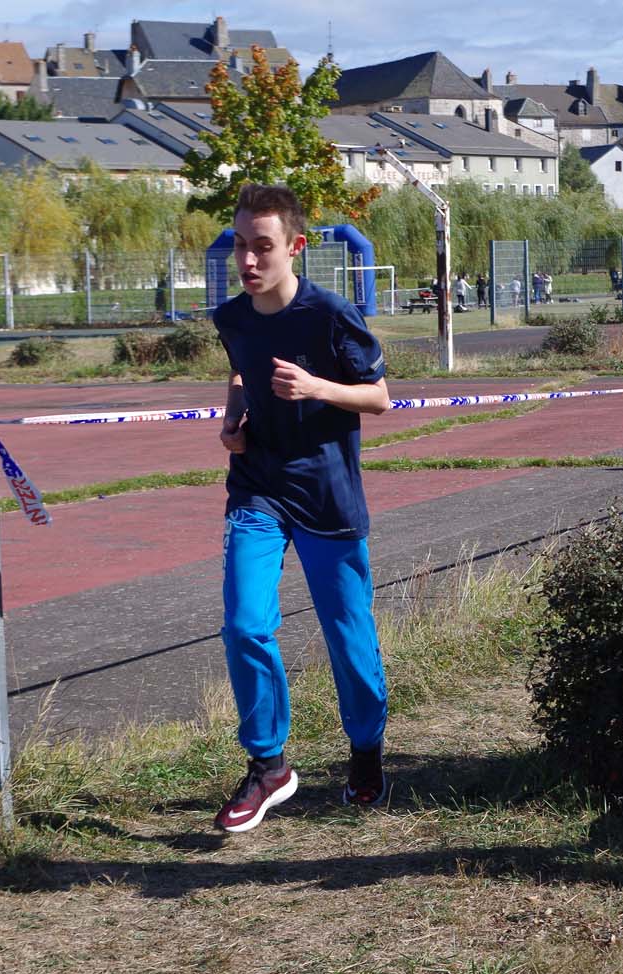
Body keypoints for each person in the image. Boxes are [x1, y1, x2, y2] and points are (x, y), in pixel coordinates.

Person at [211, 183, 392, 833]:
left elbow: (379, 399)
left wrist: (316, 386)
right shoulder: (232, 319)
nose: (249, 260)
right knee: (243, 623)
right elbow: (239, 371)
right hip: (257, 489)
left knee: (350, 640)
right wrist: (234, 416)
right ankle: (268, 765)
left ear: (295, 247)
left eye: (263, 247)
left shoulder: (329, 315)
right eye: (241, 245)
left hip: (326, 496)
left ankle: (366, 749)